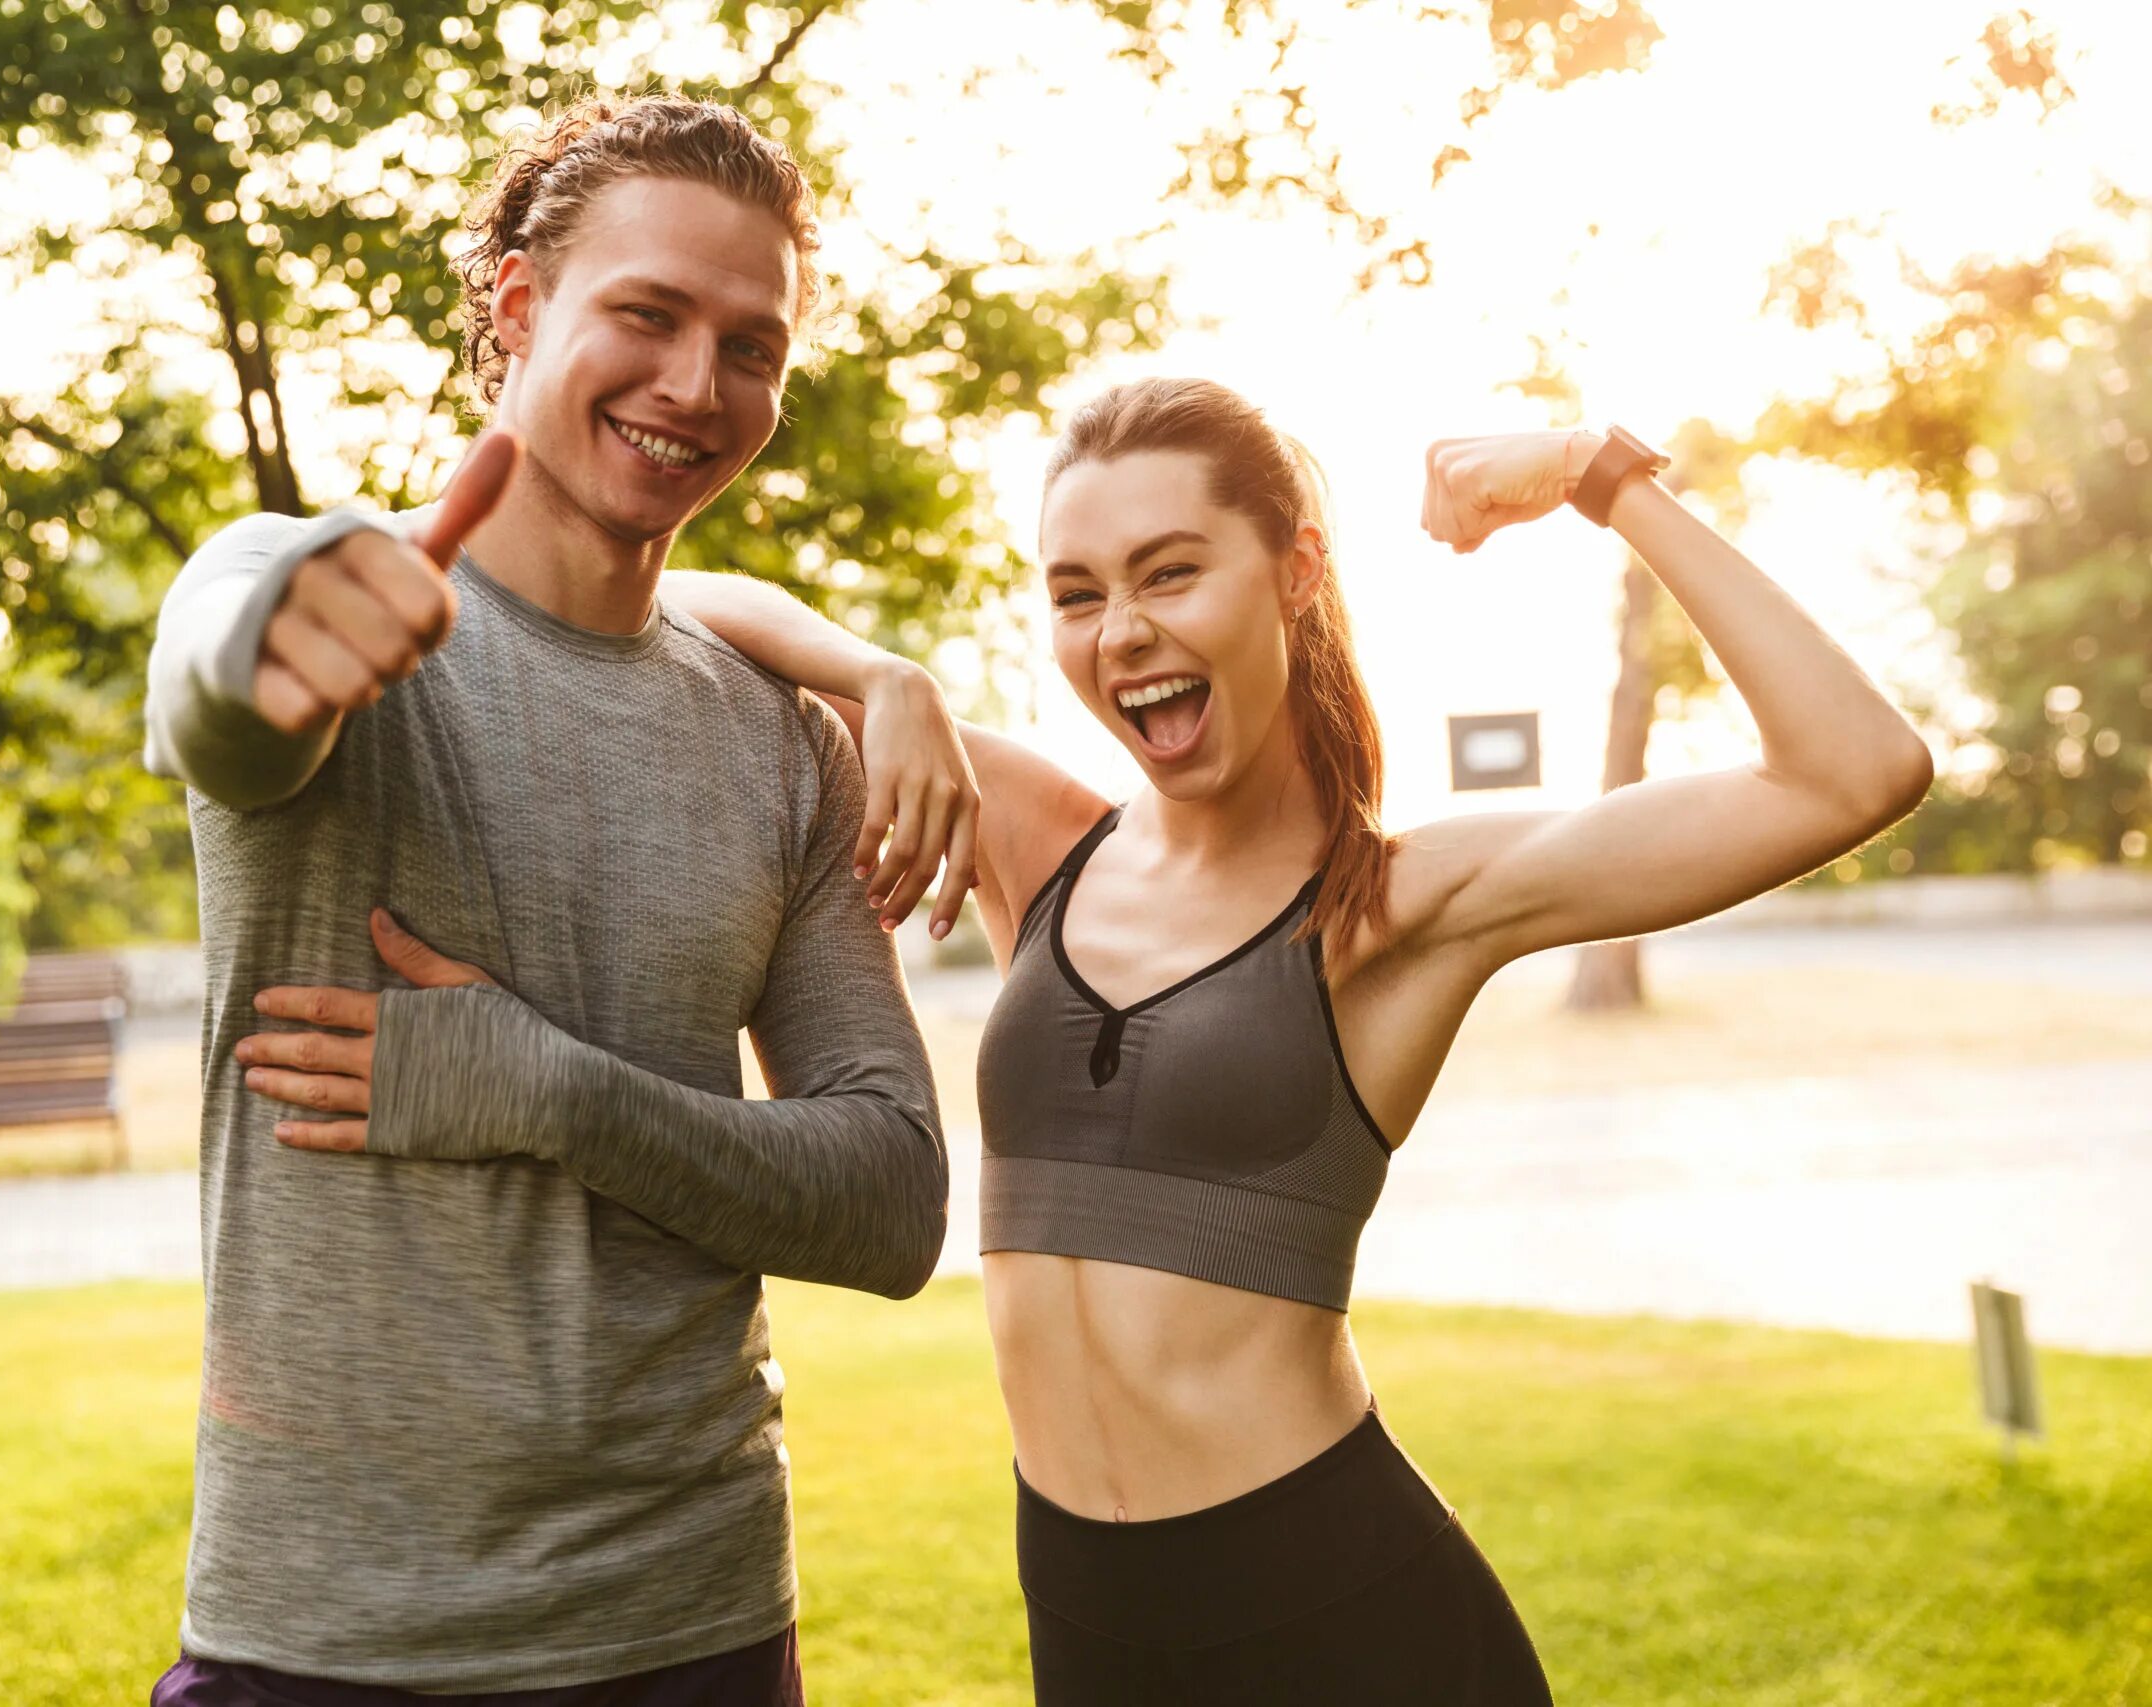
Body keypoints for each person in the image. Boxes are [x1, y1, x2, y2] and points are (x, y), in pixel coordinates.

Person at [635, 376, 1935, 1702]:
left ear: (1295, 571)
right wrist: (879, 675)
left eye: (1170, 574)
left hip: (1340, 1617)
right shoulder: (1040, 844)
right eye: (1079, 594)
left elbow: (1854, 770)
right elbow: (678, 607)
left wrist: (1602, 475)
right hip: (1091, 1622)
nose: (1123, 633)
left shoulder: (1399, 905)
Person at [139, 94, 947, 1707]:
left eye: (751, 347)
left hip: (698, 1624)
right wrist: (264, 642)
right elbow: (222, 680)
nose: (695, 387)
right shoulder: (334, 619)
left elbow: (891, 1198)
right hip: (334, 1644)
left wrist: (550, 1093)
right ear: (516, 312)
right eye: (645, 316)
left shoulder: (785, 745)